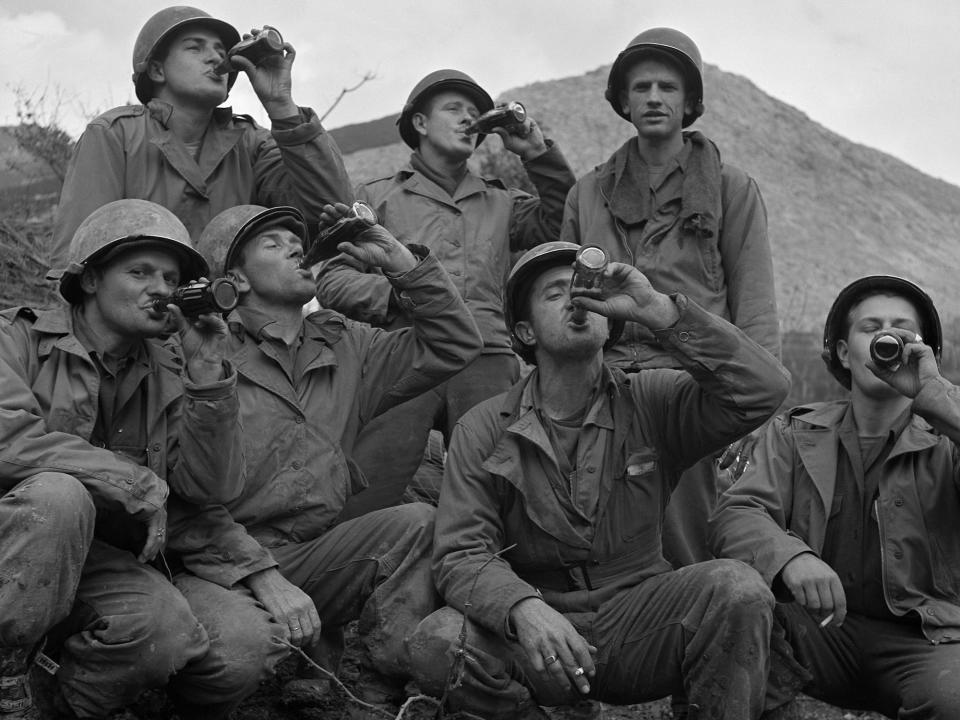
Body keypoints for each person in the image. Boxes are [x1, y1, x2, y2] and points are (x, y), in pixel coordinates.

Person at [402, 241, 805, 719]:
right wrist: (522, 609)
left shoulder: (652, 399)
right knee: (438, 642)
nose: (575, 301)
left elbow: (765, 390)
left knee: (737, 588)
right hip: (541, 636)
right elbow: (462, 553)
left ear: (608, 319)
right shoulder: (483, 428)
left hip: (642, 620)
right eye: (554, 294)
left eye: (582, 290)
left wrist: (658, 310)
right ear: (524, 330)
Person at [167, 204, 482, 707]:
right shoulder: (193, 353)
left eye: (297, 240)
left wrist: (401, 263)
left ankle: (378, 687)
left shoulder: (349, 344)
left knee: (418, 522)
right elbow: (180, 502)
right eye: (272, 243)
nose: (296, 247)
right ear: (235, 281)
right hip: (217, 563)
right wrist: (259, 573)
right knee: (235, 655)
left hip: (313, 551)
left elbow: (455, 343)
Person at [0, 200, 243, 719]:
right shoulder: (13, 338)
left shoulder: (170, 368)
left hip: (86, 558)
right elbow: (9, 440)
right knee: (58, 495)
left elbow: (209, 489)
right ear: (89, 281)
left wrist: (206, 374)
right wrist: (135, 484)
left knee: (165, 629)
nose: (159, 287)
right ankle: (4, 668)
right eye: (139, 272)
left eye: (170, 277)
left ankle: (50, 708)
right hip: (10, 541)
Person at [559, 28, 780, 567]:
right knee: (587, 533)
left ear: (689, 102)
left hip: (691, 380)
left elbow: (755, 303)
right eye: (641, 87)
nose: (654, 97)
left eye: (667, 87)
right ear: (623, 101)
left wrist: (757, 416)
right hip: (602, 376)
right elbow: (566, 300)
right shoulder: (587, 192)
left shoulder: (730, 188)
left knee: (687, 541)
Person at [315, 69, 576, 516]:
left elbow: (567, 219)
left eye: (475, 114)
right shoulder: (379, 199)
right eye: (454, 109)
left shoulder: (502, 201)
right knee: (370, 492)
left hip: (489, 358)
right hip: (406, 353)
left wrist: (535, 152)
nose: (467, 120)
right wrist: (401, 295)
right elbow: (332, 280)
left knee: (499, 494)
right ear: (419, 123)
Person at [711, 275, 960, 719]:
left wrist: (935, 396)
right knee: (734, 605)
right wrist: (789, 557)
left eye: (904, 330)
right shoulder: (793, 433)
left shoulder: (949, 441)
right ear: (845, 352)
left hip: (928, 641)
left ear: (927, 355)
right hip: (818, 632)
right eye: (871, 328)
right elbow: (737, 511)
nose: (888, 339)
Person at [48, 5, 352, 274]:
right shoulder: (114, 135)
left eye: (221, 50)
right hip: (138, 327)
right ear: (156, 69)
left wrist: (281, 105)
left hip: (235, 329)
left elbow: (331, 216)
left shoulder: (252, 144)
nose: (216, 57)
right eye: (195, 48)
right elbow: (77, 259)